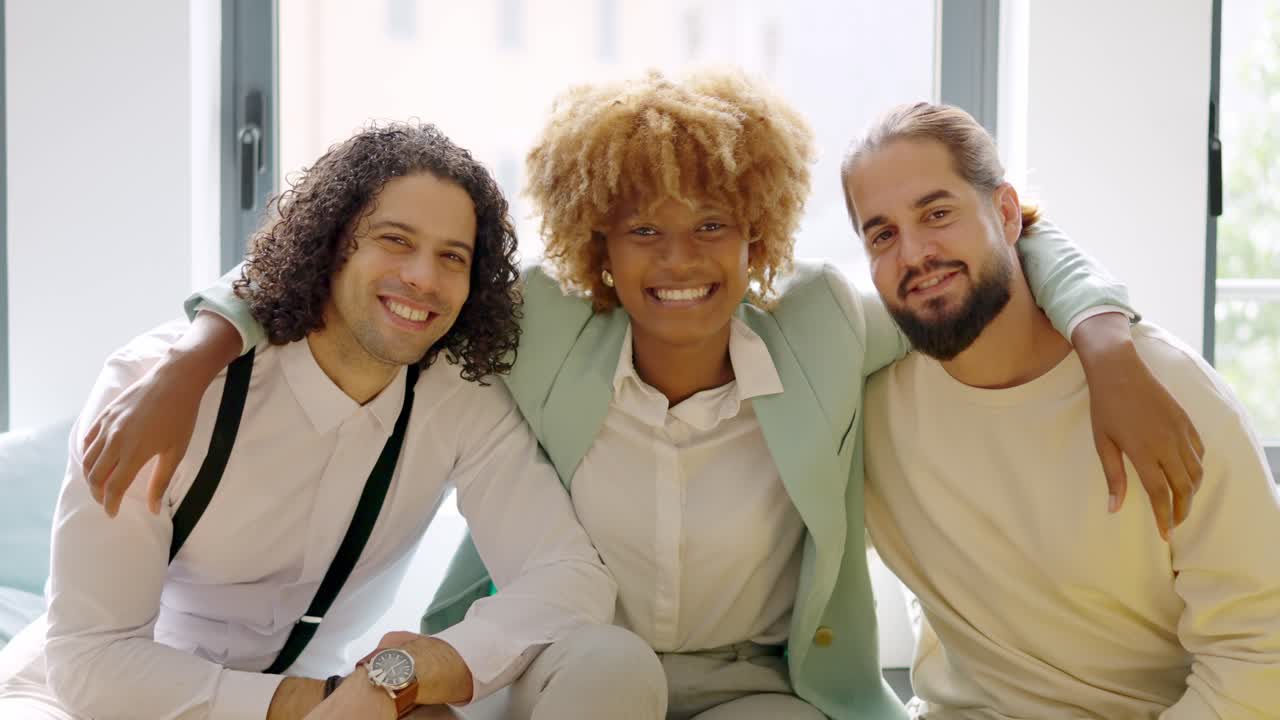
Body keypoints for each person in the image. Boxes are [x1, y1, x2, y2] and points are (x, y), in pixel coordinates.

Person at [75, 70, 1202, 720]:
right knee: (607, 661)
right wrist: (197, 349)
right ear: (595, 247)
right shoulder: (538, 327)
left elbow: (1004, 240)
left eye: (713, 223)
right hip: (573, 668)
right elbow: (344, 270)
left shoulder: (817, 323)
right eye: (642, 228)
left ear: (755, 233)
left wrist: (1104, 336)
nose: (680, 257)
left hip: (756, 680)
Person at [0, 122, 616, 720]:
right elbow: (90, 663)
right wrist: (322, 703)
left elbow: (570, 578)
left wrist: (428, 667)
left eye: (451, 256)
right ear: (329, 243)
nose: (423, 278)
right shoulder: (161, 392)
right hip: (86, 702)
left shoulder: (459, 401)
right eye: (395, 240)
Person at [844, 102, 1280, 718]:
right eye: (882, 234)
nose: (914, 254)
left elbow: (1260, 655)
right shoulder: (867, 404)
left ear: (1004, 213)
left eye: (937, 213)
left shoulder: (1166, 395)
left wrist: (1103, 345)